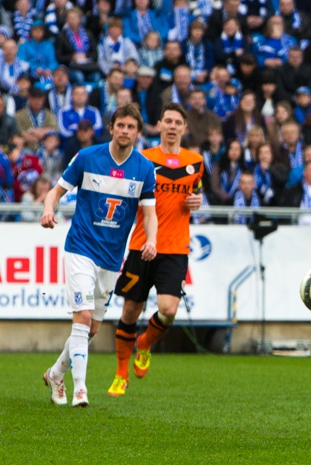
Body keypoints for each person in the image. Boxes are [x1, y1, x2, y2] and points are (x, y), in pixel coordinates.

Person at [40, 104, 157, 407]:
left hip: (111, 258)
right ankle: (80, 389)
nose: (125, 131)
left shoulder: (144, 169)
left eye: (131, 127)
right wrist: (49, 209)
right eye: (121, 125)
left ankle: (55, 373)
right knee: (84, 317)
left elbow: (149, 213)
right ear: (112, 127)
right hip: (81, 247)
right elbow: (56, 191)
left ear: (138, 132)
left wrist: (152, 240)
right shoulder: (88, 157)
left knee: (91, 329)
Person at [107, 103, 202, 396]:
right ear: (159, 125)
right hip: (141, 245)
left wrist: (196, 204)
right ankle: (121, 373)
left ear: (184, 129)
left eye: (178, 122)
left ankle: (145, 343)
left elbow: (195, 195)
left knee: (168, 310)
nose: (173, 126)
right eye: (168, 121)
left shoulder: (195, 162)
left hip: (175, 247)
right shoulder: (142, 159)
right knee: (131, 310)